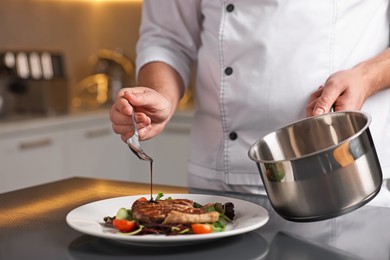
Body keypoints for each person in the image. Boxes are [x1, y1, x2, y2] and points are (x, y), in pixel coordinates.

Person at [110, 1, 390, 207]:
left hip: (341, 175)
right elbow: (167, 38)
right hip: (219, 179)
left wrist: (367, 77)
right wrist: (160, 94)